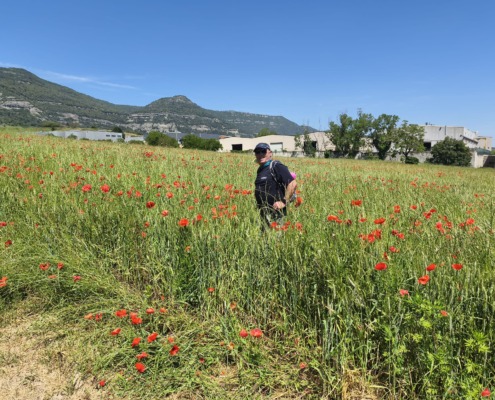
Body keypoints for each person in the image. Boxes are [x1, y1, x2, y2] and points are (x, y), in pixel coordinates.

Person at [253, 143, 297, 230]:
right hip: (264, 213)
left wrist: (284, 202)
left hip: (276, 213)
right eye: (257, 152)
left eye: (263, 151)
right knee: (266, 236)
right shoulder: (261, 169)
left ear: (270, 153)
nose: (260, 154)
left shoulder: (276, 166)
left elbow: (292, 183)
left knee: (276, 236)